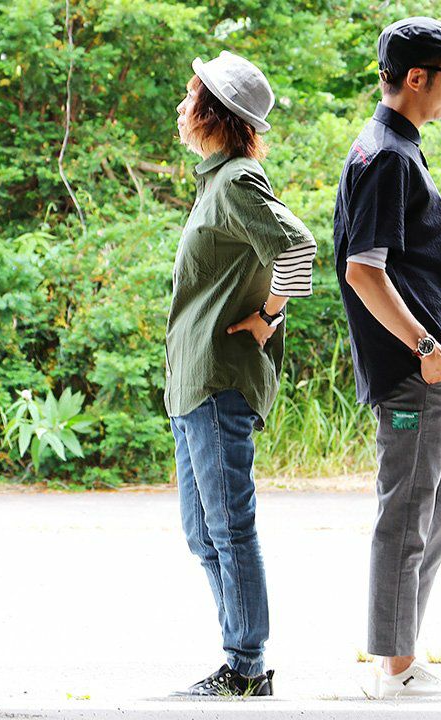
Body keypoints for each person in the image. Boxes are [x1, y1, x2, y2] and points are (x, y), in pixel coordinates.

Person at [332, 17, 441, 698]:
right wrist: (425, 348)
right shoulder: (387, 156)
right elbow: (363, 270)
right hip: (414, 371)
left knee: (440, 505)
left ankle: (402, 654)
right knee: (408, 512)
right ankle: (393, 668)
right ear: (416, 77)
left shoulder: (393, 148)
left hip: (433, 368)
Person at [165, 50, 317, 697]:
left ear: (213, 112)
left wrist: (268, 318)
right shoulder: (215, 183)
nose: (181, 106)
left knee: (229, 529)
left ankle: (246, 666)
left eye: (190, 96)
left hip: (220, 381)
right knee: (204, 534)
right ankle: (238, 660)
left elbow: (299, 248)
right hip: (192, 383)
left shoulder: (236, 182)